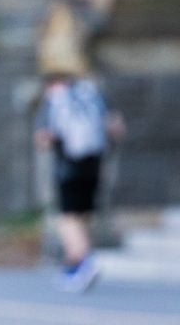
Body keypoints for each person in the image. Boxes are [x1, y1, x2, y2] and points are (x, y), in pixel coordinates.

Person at [33, 64, 124, 292]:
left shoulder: (55, 99)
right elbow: (116, 128)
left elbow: (43, 138)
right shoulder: (92, 94)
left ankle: (84, 262)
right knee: (82, 215)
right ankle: (73, 267)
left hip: (68, 164)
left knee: (67, 218)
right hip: (94, 162)